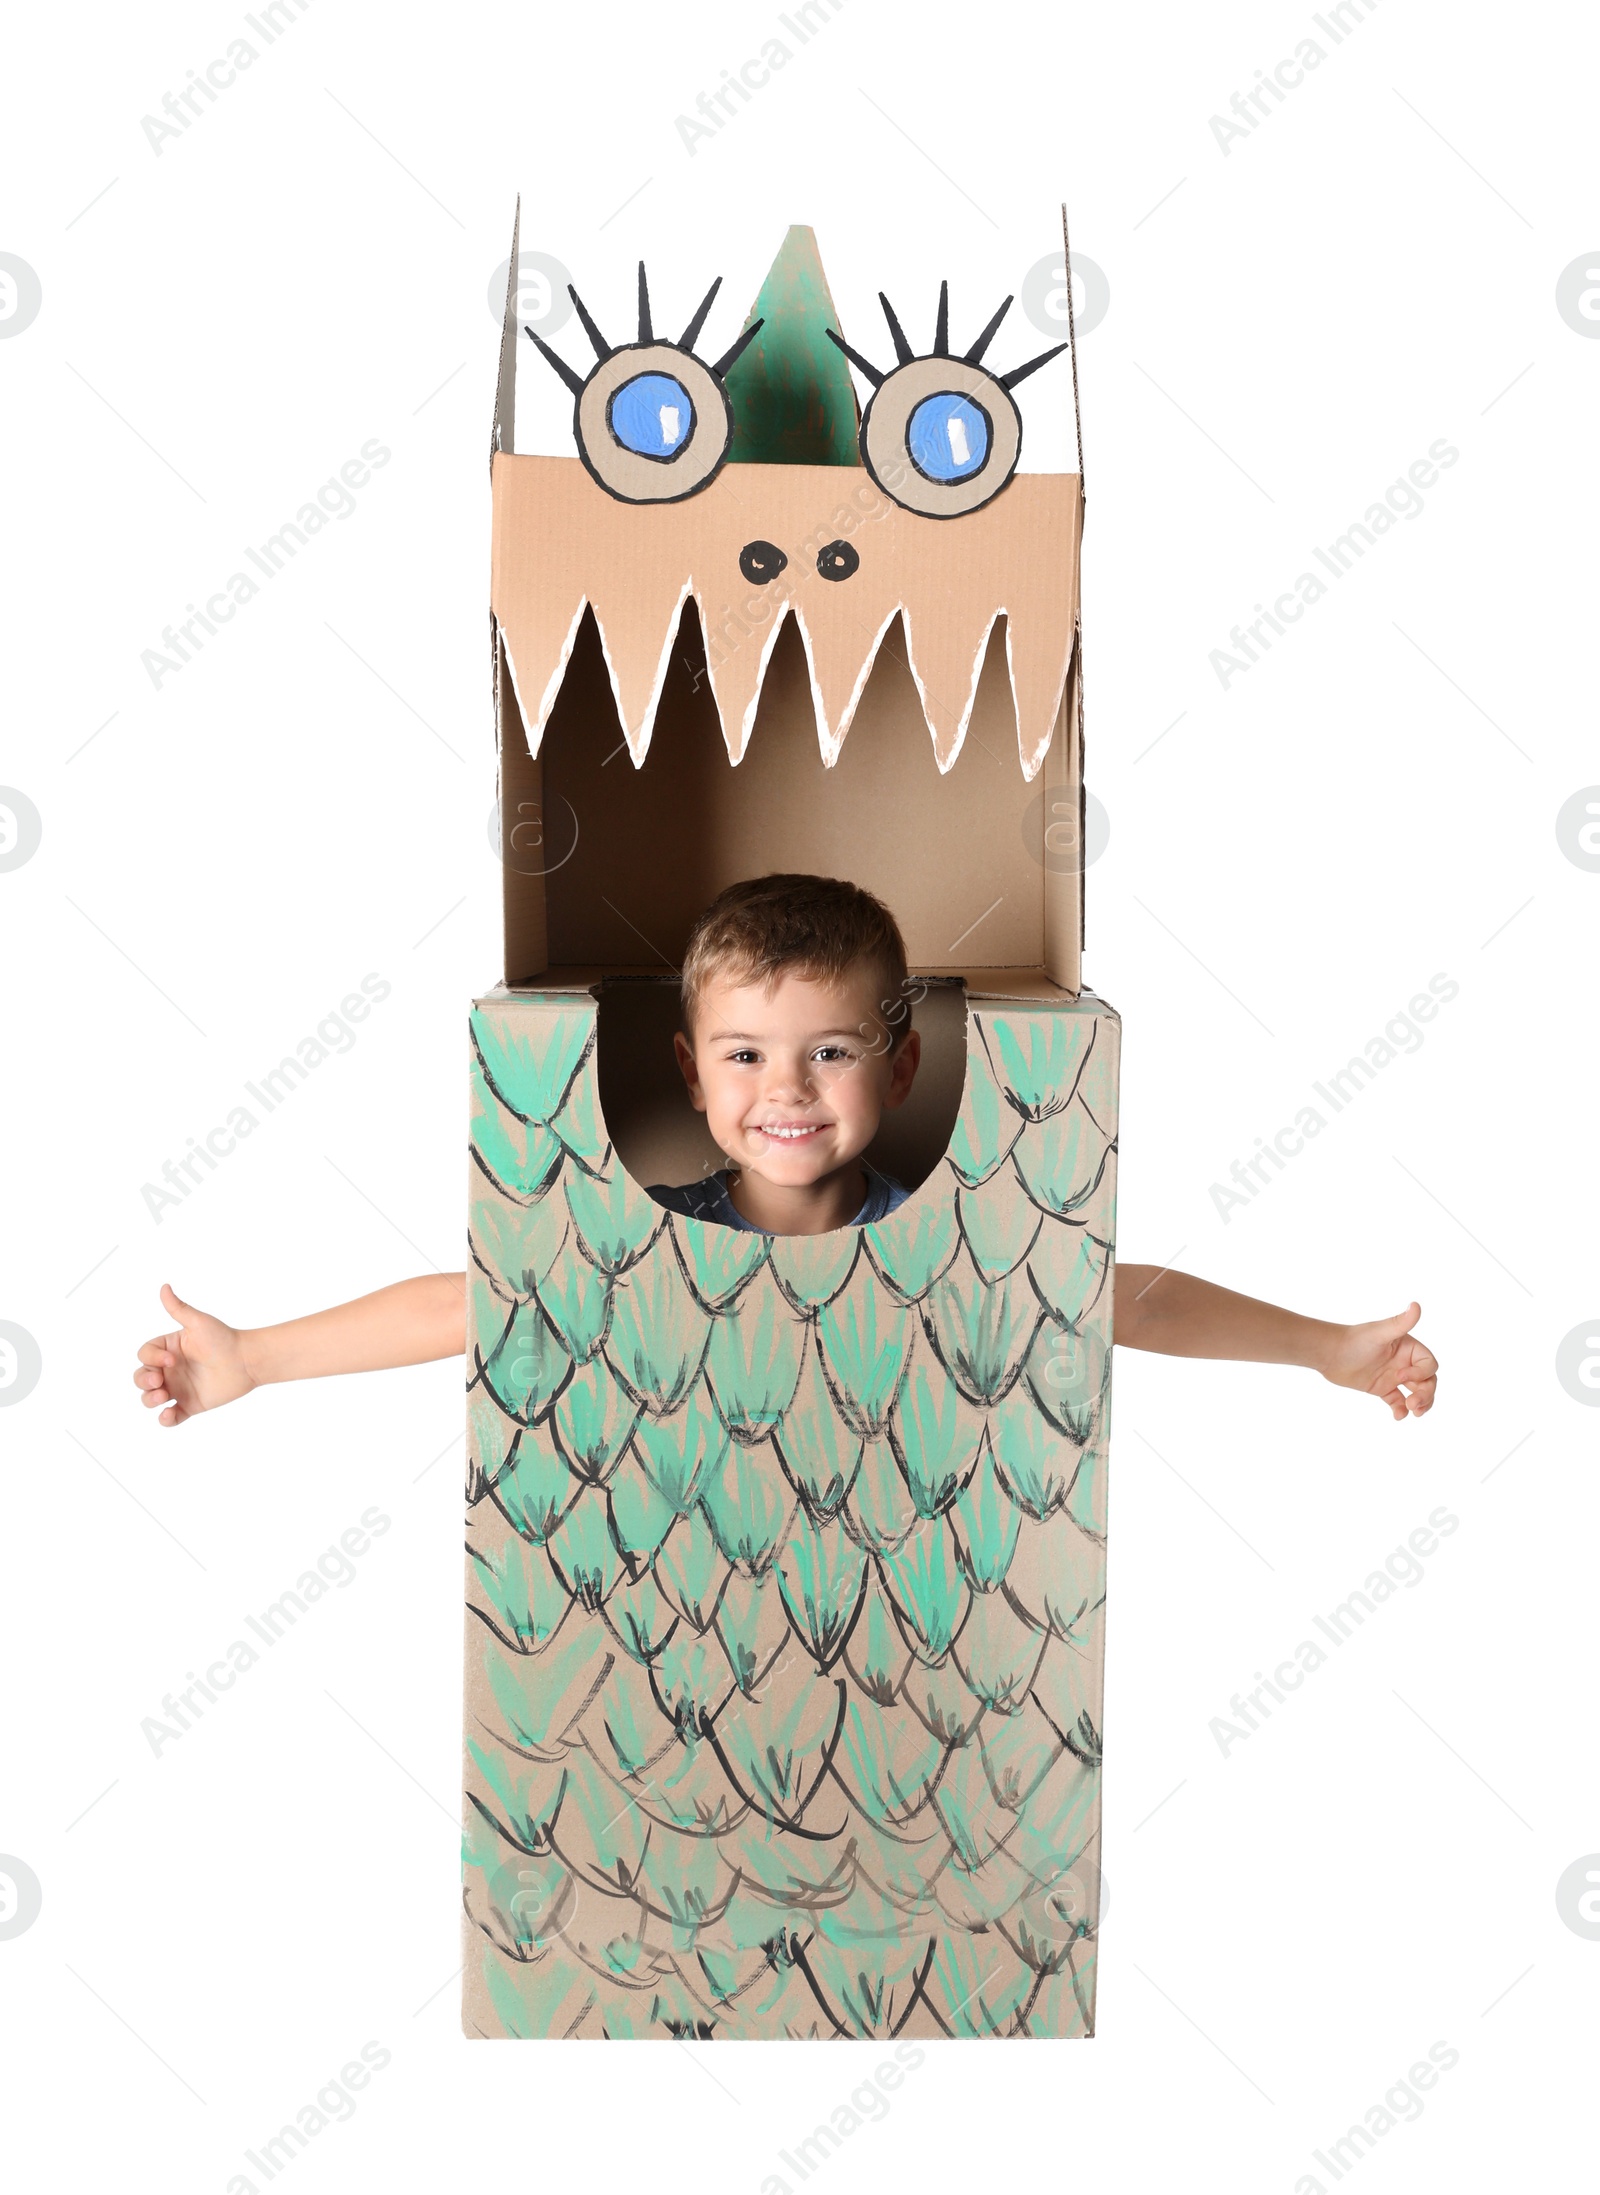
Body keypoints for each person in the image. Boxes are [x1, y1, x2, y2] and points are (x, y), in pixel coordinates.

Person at [131, 874, 1439, 1427]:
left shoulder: (949, 1244)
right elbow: (472, 1304)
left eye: (832, 1050)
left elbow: (1122, 1297)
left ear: (905, 1066)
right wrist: (252, 1356)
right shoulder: (658, 1240)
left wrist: (1329, 1349)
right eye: (748, 1055)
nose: (789, 1091)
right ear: (693, 1077)